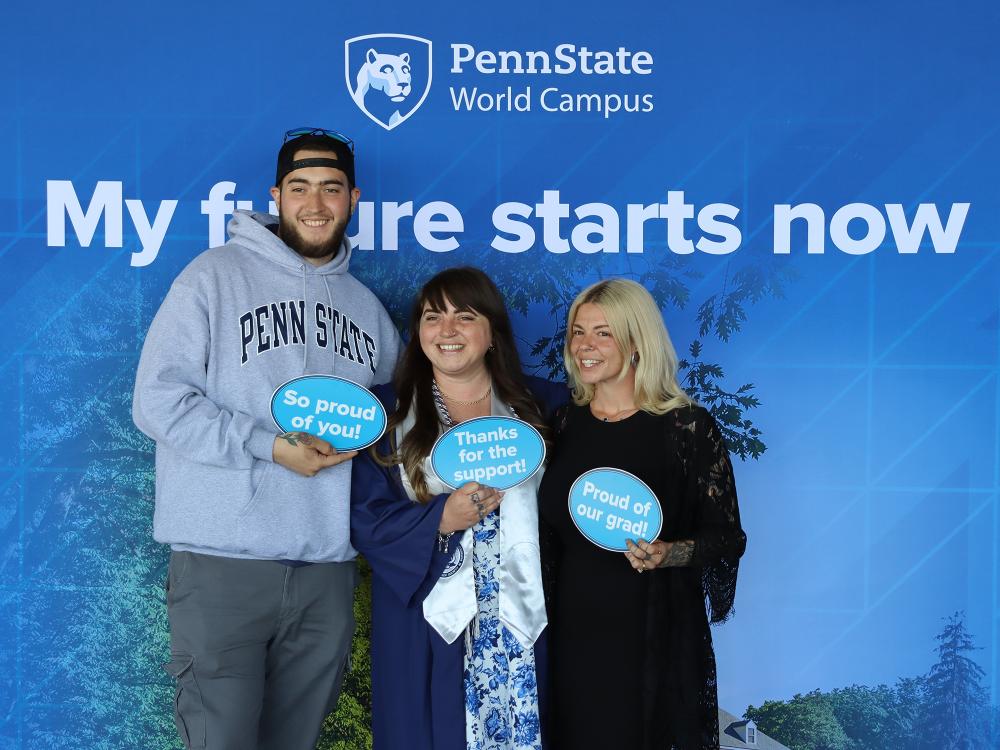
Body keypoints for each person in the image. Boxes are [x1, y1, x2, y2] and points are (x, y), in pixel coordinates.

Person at [132, 127, 401, 750]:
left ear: (353, 198)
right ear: (276, 195)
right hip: (223, 562)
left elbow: (394, 424)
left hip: (325, 569)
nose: (315, 204)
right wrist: (268, 445)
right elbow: (157, 401)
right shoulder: (212, 279)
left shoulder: (365, 310)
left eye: (331, 189)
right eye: (300, 188)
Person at [350, 267, 565, 750]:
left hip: (523, 619)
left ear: (492, 334)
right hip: (426, 621)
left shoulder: (544, 407)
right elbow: (364, 516)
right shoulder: (384, 414)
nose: (446, 331)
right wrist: (439, 519)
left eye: (464, 316)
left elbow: (573, 506)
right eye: (432, 317)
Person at [537, 278, 747, 750]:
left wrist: (669, 553)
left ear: (637, 342)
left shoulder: (687, 428)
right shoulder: (560, 424)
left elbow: (727, 538)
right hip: (570, 637)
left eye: (603, 333)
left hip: (652, 639)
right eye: (577, 331)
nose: (584, 346)